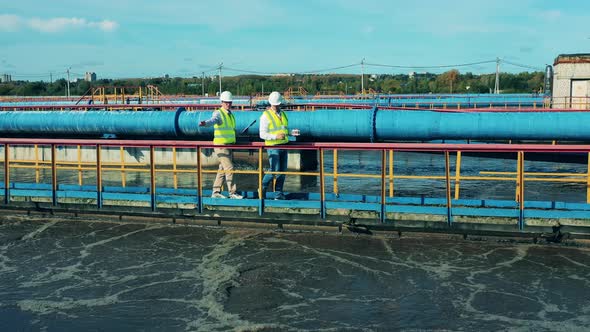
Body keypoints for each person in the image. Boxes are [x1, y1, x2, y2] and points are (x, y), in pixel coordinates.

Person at [199, 91, 243, 199]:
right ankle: (232, 193)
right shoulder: (219, 113)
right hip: (221, 146)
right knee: (230, 168)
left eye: (229, 102)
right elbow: (212, 120)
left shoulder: (230, 115)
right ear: (222, 102)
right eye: (226, 102)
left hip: (229, 145)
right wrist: (205, 123)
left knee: (222, 170)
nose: (228, 104)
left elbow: (230, 130)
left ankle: (215, 192)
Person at [259, 91, 290, 200]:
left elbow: (283, 129)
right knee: (274, 170)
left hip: (284, 145)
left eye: (278, 104)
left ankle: (278, 194)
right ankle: (262, 187)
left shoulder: (283, 114)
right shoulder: (266, 115)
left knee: (282, 172)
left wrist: (290, 133)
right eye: (274, 104)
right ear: (270, 103)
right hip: (273, 146)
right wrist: (275, 137)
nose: (276, 106)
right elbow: (262, 134)